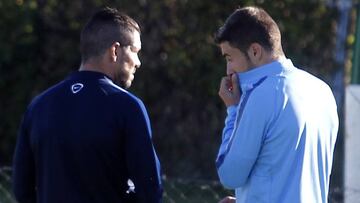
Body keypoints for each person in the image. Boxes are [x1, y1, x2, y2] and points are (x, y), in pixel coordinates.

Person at [12, 7, 162, 203]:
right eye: (135, 51)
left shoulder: (38, 106)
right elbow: (150, 191)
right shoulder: (128, 106)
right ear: (115, 50)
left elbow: (22, 189)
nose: (138, 62)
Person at [215, 6, 338, 203]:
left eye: (230, 58)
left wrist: (233, 110)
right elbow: (289, 176)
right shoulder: (323, 91)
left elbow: (230, 174)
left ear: (255, 51)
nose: (229, 70)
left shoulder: (262, 94)